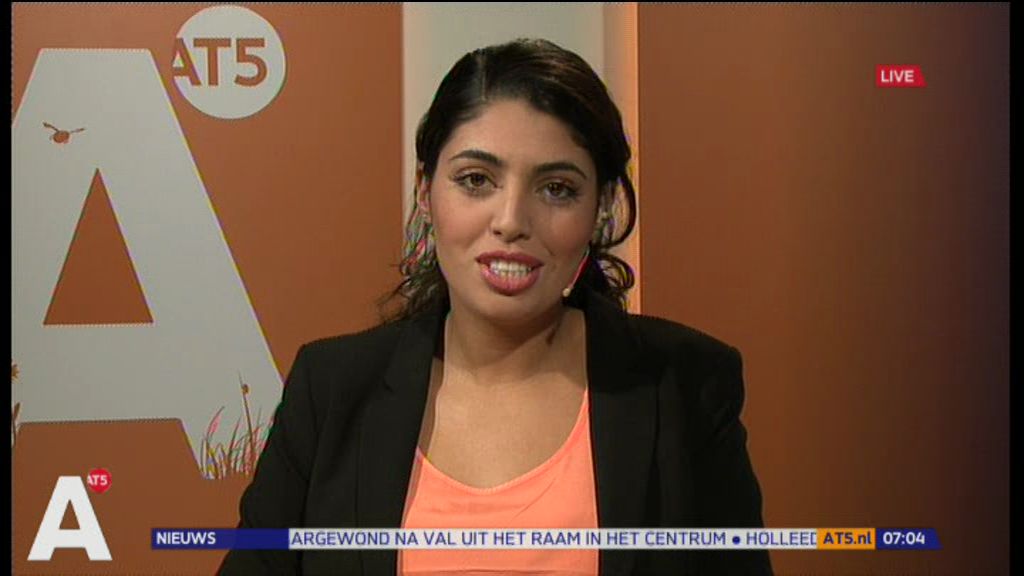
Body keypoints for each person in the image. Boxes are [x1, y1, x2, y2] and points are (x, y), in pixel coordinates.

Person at [219, 38, 771, 576]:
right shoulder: (332, 390)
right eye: (476, 180)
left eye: (556, 188)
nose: (511, 221)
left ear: (601, 206)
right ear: (425, 191)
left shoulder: (686, 384)